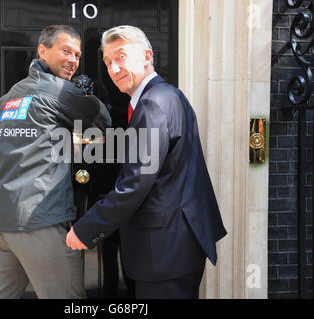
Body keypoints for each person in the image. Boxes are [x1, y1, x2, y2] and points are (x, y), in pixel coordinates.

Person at [66, 25, 227, 299]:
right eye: (107, 62)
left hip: (164, 250)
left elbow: (135, 182)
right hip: (178, 243)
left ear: (146, 56)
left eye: (121, 57)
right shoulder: (168, 95)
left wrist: (87, 228)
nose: (113, 68)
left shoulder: (152, 104)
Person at [0, 25, 111, 299]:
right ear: (42, 51)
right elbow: (103, 122)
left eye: (76, 54)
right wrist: (86, 95)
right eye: (66, 51)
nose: (73, 60)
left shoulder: (7, 99)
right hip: (40, 224)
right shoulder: (60, 92)